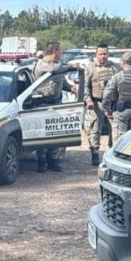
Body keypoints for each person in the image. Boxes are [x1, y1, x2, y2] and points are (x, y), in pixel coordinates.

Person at [34, 42, 79, 172]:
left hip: (56, 103)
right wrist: (71, 66)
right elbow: (54, 70)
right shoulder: (42, 64)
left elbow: (61, 81)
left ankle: (53, 160)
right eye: (60, 52)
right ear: (54, 51)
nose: (61, 54)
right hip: (42, 103)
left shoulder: (59, 66)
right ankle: (42, 161)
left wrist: (70, 88)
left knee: (57, 132)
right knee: (43, 134)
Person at [83, 43, 120, 165]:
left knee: (114, 129)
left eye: (105, 54)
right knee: (95, 129)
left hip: (111, 104)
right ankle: (94, 154)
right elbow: (86, 86)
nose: (103, 56)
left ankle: (112, 153)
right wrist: (88, 100)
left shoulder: (114, 68)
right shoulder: (90, 68)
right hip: (96, 103)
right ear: (96, 54)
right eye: (101, 54)